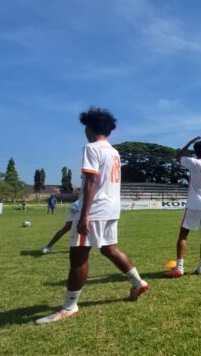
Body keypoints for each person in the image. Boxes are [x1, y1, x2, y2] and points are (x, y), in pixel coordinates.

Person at [35, 107, 149, 325]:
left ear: (89, 128)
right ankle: (137, 282)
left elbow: (91, 181)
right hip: (111, 207)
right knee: (108, 248)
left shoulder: (92, 148)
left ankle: (69, 307)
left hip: (95, 208)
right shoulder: (114, 152)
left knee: (78, 255)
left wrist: (84, 213)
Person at [164, 137, 201, 278]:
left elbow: (178, 156)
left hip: (194, 204)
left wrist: (189, 143)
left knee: (183, 235)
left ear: (195, 152)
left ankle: (179, 268)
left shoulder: (193, 162)